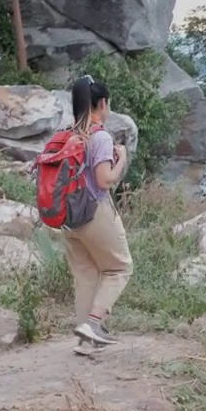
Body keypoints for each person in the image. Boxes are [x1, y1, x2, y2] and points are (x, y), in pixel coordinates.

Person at [61, 75, 133, 355]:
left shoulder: (70, 133)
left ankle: (86, 341)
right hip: (93, 210)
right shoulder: (100, 136)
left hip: (68, 213)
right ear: (102, 104)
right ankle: (93, 323)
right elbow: (104, 180)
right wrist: (122, 159)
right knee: (120, 267)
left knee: (86, 274)